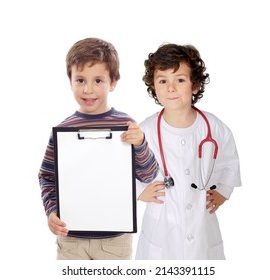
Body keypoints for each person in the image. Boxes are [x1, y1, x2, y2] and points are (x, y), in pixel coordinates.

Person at [38, 37, 158, 260]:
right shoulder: (63, 129)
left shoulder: (127, 126)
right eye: (81, 80)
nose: (88, 89)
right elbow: (47, 176)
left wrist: (141, 144)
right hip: (71, 237)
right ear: (70, 81)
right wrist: (51, 211)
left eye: (98, 81)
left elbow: (148, 174)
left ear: (113, 82)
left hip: (114, 240)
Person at [135, 43, 242, 260]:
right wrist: (139, 191)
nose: (171, 88)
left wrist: (223, 191)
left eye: (180, 80)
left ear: (195, 86)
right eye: (163, 81)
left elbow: (229, 161)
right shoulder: (144, 130)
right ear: (153, 86)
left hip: (201, 221)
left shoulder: (213, 127)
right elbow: (126, 167)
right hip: (161, 221)